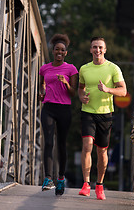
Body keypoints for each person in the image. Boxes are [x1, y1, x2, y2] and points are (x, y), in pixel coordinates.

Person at [77, 37, 127, 200]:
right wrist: (81, 97)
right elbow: (80, 88)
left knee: (102, 151)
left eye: (100, 47)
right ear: (90, 50)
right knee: (87, 145)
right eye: (94, 47)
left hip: (105, 114)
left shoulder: (113, 68)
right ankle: (86, 184)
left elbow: (123, 91)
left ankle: (99, 185)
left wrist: (107, 89)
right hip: (88, 112)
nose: (97, 50)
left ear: (105, 50)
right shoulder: (84, 68)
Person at [39, 33, 78, 195]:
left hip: (64, 109)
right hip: (48, 108)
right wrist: (42, 92)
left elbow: (73, 93)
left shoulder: (71, 69)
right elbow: (41, 85)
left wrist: (66, 83)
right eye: (57, 49)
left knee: (61, 144)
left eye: (62, 50)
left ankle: (61, 178)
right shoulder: (44, 68)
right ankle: (48, 178)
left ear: (66, 53)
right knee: (48, 142)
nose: (59, 52)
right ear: (53, 50)